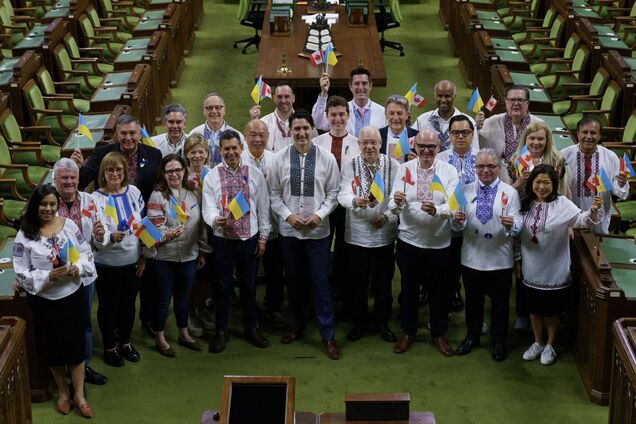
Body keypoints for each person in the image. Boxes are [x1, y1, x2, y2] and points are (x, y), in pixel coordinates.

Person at [13, 185, 96, 418]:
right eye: (43, 204)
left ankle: (79, 394)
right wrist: (47, 276)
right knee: (53, 348)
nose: (48, 208)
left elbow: (85, 252)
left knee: (76, 347)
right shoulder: (25, 234)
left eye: (52, 204)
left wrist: (77, 267)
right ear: (35, 205)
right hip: (45, 301)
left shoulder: (68, 225)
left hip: (73, 295)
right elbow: (21, 271)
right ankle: (62, 392)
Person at [267, 110, 342, 359]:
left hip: (318, 233)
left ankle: (328, 335)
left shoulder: (326, 158)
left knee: (320, 283)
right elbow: (274, 194)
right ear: (290, 132)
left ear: (313, 130)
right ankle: (297, 326)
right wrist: (288, 216)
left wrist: (319, 215)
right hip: (290, 232)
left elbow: (333, 193)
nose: (301, 133)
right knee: (295, 281)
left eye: (305, 128)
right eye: (296, 129)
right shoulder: (278, 159)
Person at [517, 164, 603, 365]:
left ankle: (550, 345)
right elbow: (516, 233)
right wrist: (517, 260)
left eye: (546, 182)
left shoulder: (563, 203)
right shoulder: (524, 202)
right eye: (538, 182)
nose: (541, 186)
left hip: (555, 267)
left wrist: (593, 211)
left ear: (554, 184)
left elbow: (582, 220)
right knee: (534, 308)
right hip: (531, 265)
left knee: (553, 310)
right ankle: (537, 342)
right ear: (532, 183)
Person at [388, 130, 459, 356]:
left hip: (439, 244)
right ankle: (408, 332)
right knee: (409, 289)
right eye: (422, 146)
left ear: (439, 147)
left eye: (431, 146)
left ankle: (438, 333)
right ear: (414, 146)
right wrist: (396, 203)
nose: (426, 151)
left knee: (439, 291)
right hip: (409, 241)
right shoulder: (404, 169)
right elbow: (393, 202)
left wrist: (437, 210)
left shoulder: (449, 171)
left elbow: (455, 206)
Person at [202, 130, 271, 353]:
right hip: (222, 240)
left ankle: (252, 327)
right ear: (220, 150)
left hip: (248, 239)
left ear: (241, 148)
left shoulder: (255, 174)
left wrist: (262, 238)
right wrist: (214, 218)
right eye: (226, 149)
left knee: (249, 286)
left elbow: (263, 207)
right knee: (222, 287)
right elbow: (209, 206)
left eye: (234, 148)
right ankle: (221, 330)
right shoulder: (211, 176)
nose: (230, 152)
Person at [451, 148, 522, 361]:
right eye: (481, 166)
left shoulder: (510, 192)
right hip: (472, 257)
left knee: (500, 305)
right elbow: (454, 224)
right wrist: (457, 220)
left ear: (498, 169)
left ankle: (499, 341)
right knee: (472, 301)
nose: (485, 170)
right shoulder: (464, 190)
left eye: (490, 166)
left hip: (500, 259)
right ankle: (472, 336)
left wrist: (512, 225)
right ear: (475, 169)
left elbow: (518, 223)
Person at [338, 126, 399, 342]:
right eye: (365, 143)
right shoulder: (350, 164)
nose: (369, 146)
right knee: (358, 283)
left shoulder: (393, 165)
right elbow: (343, 192)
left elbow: (397, 198)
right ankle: (359, 322)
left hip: (384, 233)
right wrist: (354, 201)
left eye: (373, 142)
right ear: (359, 144)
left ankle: (382, 322)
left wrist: (386, 217)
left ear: (381, 144)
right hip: (357, 235)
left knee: (383, 282)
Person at [146, 154, 210, 357]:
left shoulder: (193, 194)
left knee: (183, 299)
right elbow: (154, 228)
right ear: (163, 174)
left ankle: (184, 333)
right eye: (169, 171)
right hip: (165, 257)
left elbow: (201, 225)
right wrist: (168, 235)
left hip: (189, 256)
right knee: (163, 300)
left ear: (184, 170)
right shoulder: (158, 196)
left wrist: (202, 249)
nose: (174, 174)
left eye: (177, 170)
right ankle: (160, 337)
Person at [54, 158, 108, 386]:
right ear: (55, 180)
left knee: (84, 323)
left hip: (85, 273)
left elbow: (102, 234)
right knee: (60, 324)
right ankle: (61, 369)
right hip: (57, 277)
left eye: (73, 177)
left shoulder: (90, 200)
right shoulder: (46, 203)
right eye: (64, 178)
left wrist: (99, 236)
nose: (69, 182)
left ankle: (83, 367)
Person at [91, 152, 146, 367]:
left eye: (119, 170)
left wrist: (144, 257)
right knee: (108, 307)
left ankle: (125, 342)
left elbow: (142, 227)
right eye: (110, 170)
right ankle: (110, 348)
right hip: (107, 264)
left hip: (132, 261)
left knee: (129, 305)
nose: (115, 173)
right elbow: (95, 235)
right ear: (103, 173)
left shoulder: (134, 192)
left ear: (125, 173)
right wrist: (109, 238)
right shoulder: (95, 199)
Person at [313, 95, 360, 313]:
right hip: (322, 204)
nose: (338, 119)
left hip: (348, 206)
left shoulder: (358, 143)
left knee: (345, 250)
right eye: (333, 115)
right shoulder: (316, 142)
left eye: (342, 114)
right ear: (327, 116)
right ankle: (323, 294)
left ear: (348, 116)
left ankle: (343, 294)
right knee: (322, 250)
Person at [241, 119, 286, 328]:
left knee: (274, 271)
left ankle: (273, 309)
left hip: (274, 226)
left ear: (268, 137)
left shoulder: (276, 159)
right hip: (247, 228)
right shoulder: (238, 159)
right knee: (248, 273)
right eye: (253, 134)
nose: (257, 139)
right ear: (245, 136)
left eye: (262, 135)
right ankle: (249, 311)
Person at [437, 114, 479, 313]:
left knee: (469, 267)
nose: (460, 137)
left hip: (475, 222)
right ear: (449, 135)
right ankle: (449, 293)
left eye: (465, 132)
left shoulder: (482, 159)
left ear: (472, 134)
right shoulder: (440, 159)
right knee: (447, 265)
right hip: (446, 222)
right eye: (455, 133)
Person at [561, 115, 629, 234]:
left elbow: (620, 192)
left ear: (599, 135)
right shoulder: (564, 155)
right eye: (584, 132)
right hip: (570, 219)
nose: (588, 137)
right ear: (577, 134)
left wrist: (621, 183)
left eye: (593, 133)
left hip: (599, 221)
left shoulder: (610, 157)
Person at [76, 114, 163, 205]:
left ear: (140, 134)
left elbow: (160, 185)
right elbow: (82, 181)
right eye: (123, 133)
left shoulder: (154, 155)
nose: (128, 138)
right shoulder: (101, 154)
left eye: (132, 133)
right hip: (109, 210)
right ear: (117, 134)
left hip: (143, 211)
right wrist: (78, 167)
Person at [183, 133, 215, 336]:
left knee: (206, 276)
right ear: (186, 154)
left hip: (211, 231)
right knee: (191, 277)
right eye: (192, 152)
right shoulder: (181, 175)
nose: (197, 156)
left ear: (207, 154)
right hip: (190, 232)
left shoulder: (212, 173)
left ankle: (203, 309)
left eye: (200, 152)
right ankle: (190, 313)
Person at [476, 85, 544, 170]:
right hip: (498, 174)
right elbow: (477, 146)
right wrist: (477, 127)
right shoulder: (492, 122)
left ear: (527, 102)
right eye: (512, 100)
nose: (516, 104)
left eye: (520, 100)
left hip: (529, 173)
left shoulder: (539, 124)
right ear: (506, 102)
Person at [311, 66, 386, 136]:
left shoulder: (382, 112)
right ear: (350, 86)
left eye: (364, 83)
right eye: (356, 83)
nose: (360, 87)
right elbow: (317, 122)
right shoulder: (341, 111)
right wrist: (324, 93)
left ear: (370, 85)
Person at [412, 80, 479, 152]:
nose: (443, 100)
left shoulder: (468, 122)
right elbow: (411, 146)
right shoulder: (422, 121)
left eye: (447, 96)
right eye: (440, 96)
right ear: (435, 96)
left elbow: (475, 152)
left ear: (454, 97)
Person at [508, 122, 571, 197]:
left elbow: (564, 190)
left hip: (550, 205)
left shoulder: (557, 161)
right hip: (521, 205)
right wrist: (519, 183)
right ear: (525, 139)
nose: (536, 143)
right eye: (532, 138)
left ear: (547, 141)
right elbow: (506, 193)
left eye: (540, 139)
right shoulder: (515, 160)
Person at [190, 93, 244, 168]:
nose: (214, 111)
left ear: (224, 110)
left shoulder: (237, 136)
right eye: (209, 108)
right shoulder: (194, 134)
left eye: (218, 107)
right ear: (204, 112)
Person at [248, 83, 296, 152]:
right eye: (279, 97)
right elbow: (252, 149)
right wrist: (254, 124)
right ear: (274, 98)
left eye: (287, 96)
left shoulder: (304, 123)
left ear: (293, 98)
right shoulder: (263, 123)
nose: (283, 100)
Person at [379, 95, 418, 163]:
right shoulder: (378, 136)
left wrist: (418, 162)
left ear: (407, 115)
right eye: (391, 113)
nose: (396, 117)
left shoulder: (417, 136)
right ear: (386, 115)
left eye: (399, 113)